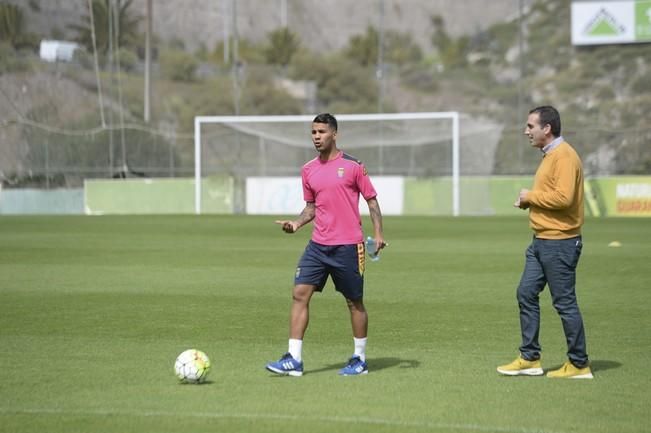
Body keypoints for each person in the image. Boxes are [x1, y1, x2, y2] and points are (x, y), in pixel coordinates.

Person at [265, 113, 386, 377]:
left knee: (354, 303)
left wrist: (377, 234)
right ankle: (294, 360)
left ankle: (359, 359)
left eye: (321, 132)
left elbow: (372, 201)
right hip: (318, 246)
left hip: (348, 247)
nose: (316, 137)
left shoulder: (354, 166)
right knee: (299, 294)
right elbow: (311, 207)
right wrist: (297, 224)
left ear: (334, 134)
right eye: (313, 132)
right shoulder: (308, 170)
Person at [497, 105, 593, 379]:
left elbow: (564, 198)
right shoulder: (550, 155)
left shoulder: (564, 156)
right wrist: (530, 203)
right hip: (541, 241)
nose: (525, 131)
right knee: (525, 293)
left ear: (546, 128)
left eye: (530, 126)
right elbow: (553, 196)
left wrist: (531, 196)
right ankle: (530, 358)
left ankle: (579, 364)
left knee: (564, 303)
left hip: (560, 242)